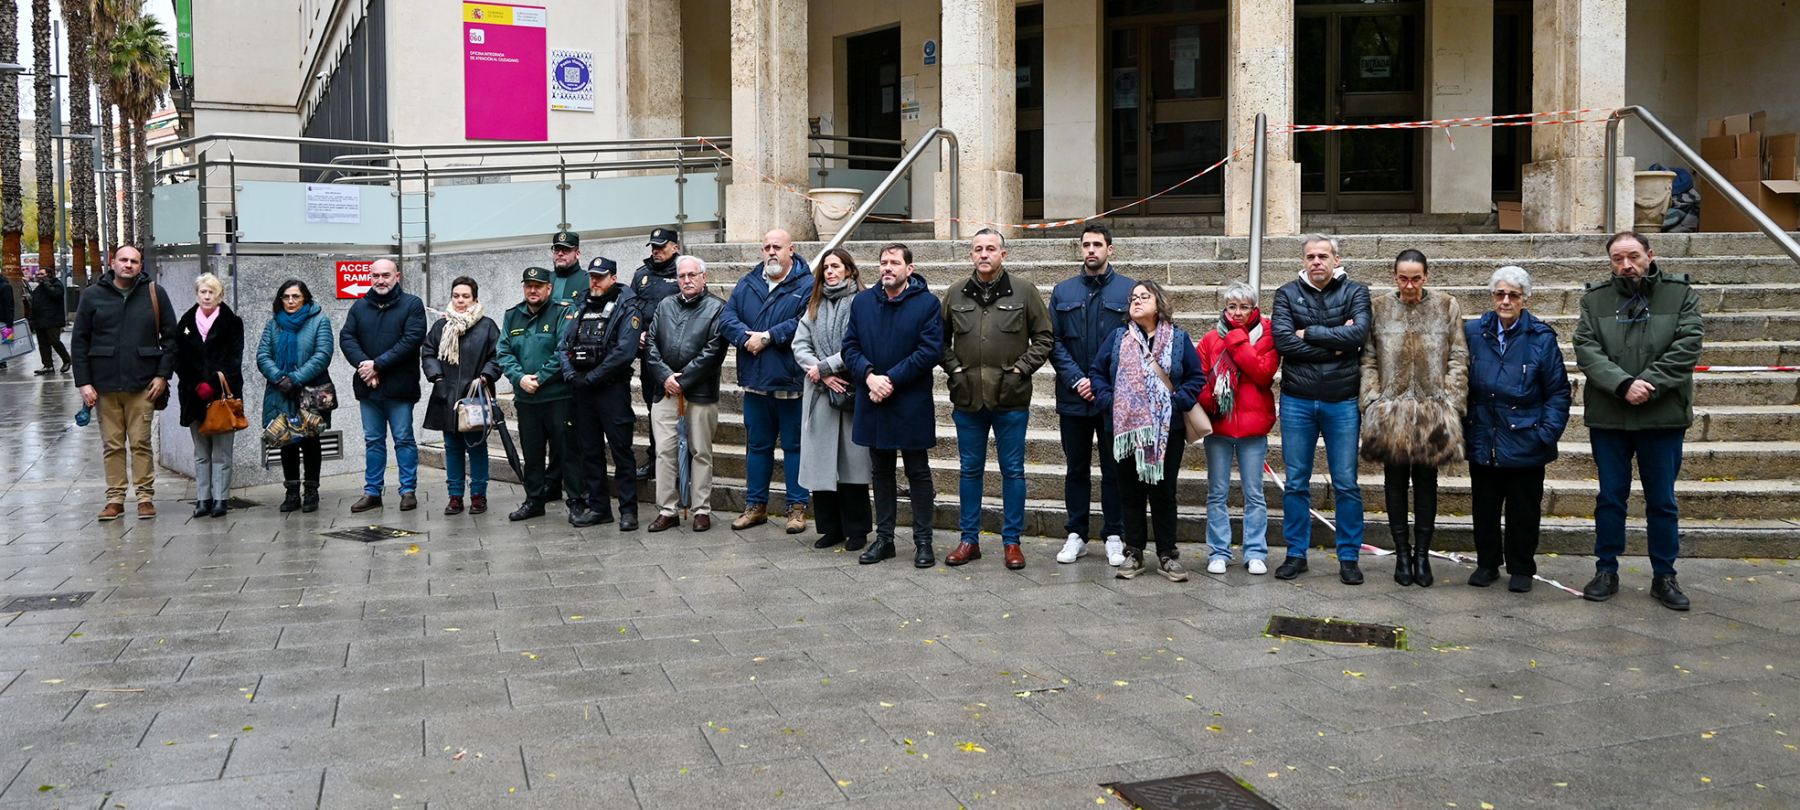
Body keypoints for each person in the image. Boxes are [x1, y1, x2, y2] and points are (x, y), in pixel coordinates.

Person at [1574, 231, 1704, 610]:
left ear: (1650, 254)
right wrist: (1623, 384)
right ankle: (1605, 570)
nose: (1626, 265)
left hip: (1661, 417)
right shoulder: (1594, 299)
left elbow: (1688, 345)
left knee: (1661, 501)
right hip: (1610, 417)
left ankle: (1665, 576)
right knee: (1610, 498)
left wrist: (1648, 384)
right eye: (1618, 259)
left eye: (1633, 256)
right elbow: (1586, 348)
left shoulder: (1681, 295)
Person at [940, 228, 1055, 570]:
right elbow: (937, 339)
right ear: (971, 255)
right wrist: (954, 369)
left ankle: (1012, 541)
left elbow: (1045, 337)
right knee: (970, 470)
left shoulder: (1024, 291)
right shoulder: (955, 292)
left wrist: (1021, 369)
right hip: (968, 397)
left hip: (1010, 397)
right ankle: (969, 540)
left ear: (1003, 254)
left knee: (1013, 471)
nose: (984, 254)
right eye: (978, 249)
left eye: (991, 248)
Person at [1359, 250, 1468, 588]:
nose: (1409, 285)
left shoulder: (1446, 306)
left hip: (1432, 410)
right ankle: (1401, 554)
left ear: (1426, 276)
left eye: (1416, 278)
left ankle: (1422, 554)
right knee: (1394, 484)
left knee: (1426, 483)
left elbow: (1458, 354)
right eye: (1403, 278)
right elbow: (1368, 357)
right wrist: (1373, 400)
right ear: (1394, 276)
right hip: (1390, 410)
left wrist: (1450, 400)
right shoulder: (1379, 307)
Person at [1090, 280, 1206, 581]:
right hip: (1124, 429)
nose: (1137, 301)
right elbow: (1097, 373)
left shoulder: (1178, 338)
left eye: (1145, 296)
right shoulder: (1118, 338)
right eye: (1133, 298)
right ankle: (1134, 552)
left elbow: (1196, 377)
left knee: (1164, 493)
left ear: (1159, 305)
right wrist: (1109, 401)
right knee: (1130, 493)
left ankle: (1167, 554)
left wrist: (1175, 402)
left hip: (1168, 429)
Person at [1272, 234, 1372, 584]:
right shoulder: (1286, 294)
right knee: (1296, 482)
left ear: (1336, 259)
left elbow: (1359, 335)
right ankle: (1296, 553)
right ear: (1303, 261)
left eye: (1323, 256)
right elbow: (1283, 342)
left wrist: (1308, 333)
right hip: (1297, 400)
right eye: (1310, 256)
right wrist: (1336, 344)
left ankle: (1349, 557)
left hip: (1342, 400)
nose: (1316, 261)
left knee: (1346, 482)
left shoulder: (1356, 292)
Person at [1465, 266, 1571, 592]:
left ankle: (1522, 567)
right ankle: (1487, 564)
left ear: (1526, 298)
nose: (1506, 301)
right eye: (1500, 294)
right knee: (1484, 506)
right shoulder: (1473, 332)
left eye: (1513, 295)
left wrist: (1545, 433)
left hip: (1526, 437)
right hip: (1484, 434)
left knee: (1523, 508)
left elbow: (1558, 392)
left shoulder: (1541, 337)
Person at [842, 243, 943, 566]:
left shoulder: (927, 304)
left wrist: (890, 381)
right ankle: (884, 539)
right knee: (881, 472)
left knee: (918, 472)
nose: (887, 267)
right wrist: (869, 377)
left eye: (894, 262)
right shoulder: (863, 302)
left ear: (909, 269)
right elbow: (850, 347)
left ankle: (923, 542)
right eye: (883, 262)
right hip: (873, 399)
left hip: (910, 401)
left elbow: (929, 351)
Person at [1048, 224, 1134, 566]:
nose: (1091, 250)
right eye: (1086, 245)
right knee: (1076, 469)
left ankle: (1114, 535)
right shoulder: (1063, 291)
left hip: (1113, 397)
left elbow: (1133, 341)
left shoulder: (1129, 290)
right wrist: (1076, 380)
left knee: (1115, 469)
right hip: (1073, 397)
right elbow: (1053, 341)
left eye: (1097, 244)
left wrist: (1100, 384)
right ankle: (1076, 534)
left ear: (1110, 249)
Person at [72, 245, 177, 520]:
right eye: (123, 260)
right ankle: (115, 499)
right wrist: (83, 382)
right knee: (112, 445)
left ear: (141, 266)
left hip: (143, 384)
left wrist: (162, 375)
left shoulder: (154, 293)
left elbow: (171, 338)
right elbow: (79, 341)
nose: (128, 265)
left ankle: (145, 497)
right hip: (104, 385)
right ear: (112, 262)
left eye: (134, 261)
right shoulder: (93, 295)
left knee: (141, 442)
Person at [720, 228, 815, 534]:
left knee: (794, 447)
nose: (771, 252)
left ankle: (797, 508)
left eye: (777, 247)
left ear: (791, 250)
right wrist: (745, 339)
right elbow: (727, 318)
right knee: (758, 446)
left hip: (790, 381)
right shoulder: (747, 283)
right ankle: (755, 506)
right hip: (755, 381)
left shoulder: (808, 284)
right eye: (766, 247)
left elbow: (804, 322)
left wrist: (769, 336)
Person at [792, 248, 871, 553]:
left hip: (850, 389)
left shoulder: (862, 302)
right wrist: (820, 373)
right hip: (820, 392)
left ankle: (857, 531)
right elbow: (800, 344)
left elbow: (860, 343)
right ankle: (830, 529)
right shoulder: (815, 303)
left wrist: (828, 367)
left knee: (853, 467)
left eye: (836, 266)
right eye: (826, 268)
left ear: (849, 270)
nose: (830, 272)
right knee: (821, 465)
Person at [559, 257, 647, 530]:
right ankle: (599, 508)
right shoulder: (581, 306)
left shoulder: (628, 307)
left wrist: (593, 377)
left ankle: (628, 511)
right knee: (590, 452)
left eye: (601, 276)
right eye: (592, 276)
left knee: (621, 451)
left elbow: (624, 352)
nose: (595, 281)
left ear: (613, 278)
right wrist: (571, 375)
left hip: (612, 390)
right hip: (582, 390)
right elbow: (563, 346)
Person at [1196, 281, 1278, 575]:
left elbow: (1263, 374)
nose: (1238, 312)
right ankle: (1219, 551)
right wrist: (1212, 399)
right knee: (1217, 492)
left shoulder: (1267, 336)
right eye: (1232, 307)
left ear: (1254, 308)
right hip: (1219, 426)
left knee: (1254, 493)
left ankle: (1255, 552)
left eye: (1244, 306)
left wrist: (1237, 340)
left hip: (1253, 428)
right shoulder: (1209, 339)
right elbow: (1198, 378)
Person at [644, 255, 729, 532]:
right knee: (665, 452)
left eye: (692, 275)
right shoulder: (665, 305)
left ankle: (701, 510)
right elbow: (651, 343)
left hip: (700, 393)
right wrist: (665, 377)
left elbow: (714, 350)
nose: (687, 280)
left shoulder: (717, 308)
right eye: (681, 276)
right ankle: (667, 510)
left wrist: (684, 380)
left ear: (704, 277)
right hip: (665, 392)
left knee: (700, 452)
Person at [339, 259, 427, 513]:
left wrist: (377, 365)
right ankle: (372, 492)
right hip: (369, 388)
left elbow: (411, 340)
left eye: (386, 275)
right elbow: (347, 338)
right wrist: (365, 367)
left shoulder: (412, 304)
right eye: (376, 275)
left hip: (400, 388)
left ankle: (407, 491)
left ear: (397, 276)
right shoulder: (359, 307)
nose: (380, 280)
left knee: (404, 439)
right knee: (373, 441)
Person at [499, 266, 582, 522]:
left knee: (568, 452)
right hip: (527, 399)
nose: (532, 290)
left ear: (549, 288)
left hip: (558, 396)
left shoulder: (563, 312)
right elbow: (504, 352)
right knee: (532, 453)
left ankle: (577, 501)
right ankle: (534, 501)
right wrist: (520, 378)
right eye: (528, 286)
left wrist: (540, 377)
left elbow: (564, 349)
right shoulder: (512, 315)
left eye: (538, 286)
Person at [422, 276, 502, 518]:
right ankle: (455, 495)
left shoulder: (487, 326)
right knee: (452, 448)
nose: (460, 300)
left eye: (466, 296)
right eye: (456, 296)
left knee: (476, 447)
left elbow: (498, 356)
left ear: (475, 299)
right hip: (446, 396)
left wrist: (486, 376)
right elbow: (428, 352)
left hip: (474, 396)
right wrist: (437, 378)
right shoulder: (441, 326)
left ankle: (478, 494)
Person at [258, 280, 335, 513]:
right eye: (286, 297)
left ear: (305, 298)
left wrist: (295, 379)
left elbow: (323, 354)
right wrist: (280, 379)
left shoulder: (320, 320)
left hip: (310, 391)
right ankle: (291, 492)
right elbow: (263, 356)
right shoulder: (274, 324)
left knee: (311, 440)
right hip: (280, 390)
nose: (291, 301)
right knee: (286, 440)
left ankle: (311, 490)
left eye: (296, 296)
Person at [173, 273, 245, 518]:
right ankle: (203, 498)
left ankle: (221, 499)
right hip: (193, 396)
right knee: (201, 452)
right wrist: (196, 385)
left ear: (220, 296)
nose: (206, 296)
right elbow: (178, 359)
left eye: (211, 292)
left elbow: (234, 361)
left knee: (222, 453)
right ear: (196, 295)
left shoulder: (232, 323)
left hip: (222, 397)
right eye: (202, 292)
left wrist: (212, 384)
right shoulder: (185, 323)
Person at [630, 227, 685, 482]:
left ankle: (681, 462)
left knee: (678, 412)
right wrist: (637, 335)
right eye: (653, 246)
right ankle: (655, 459)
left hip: (674, 357)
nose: (656, 251)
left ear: (675, 247)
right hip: (648, 358)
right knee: (654, 409)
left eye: (661, 246)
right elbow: (630, 311)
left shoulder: (684, 273)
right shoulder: (641, 275)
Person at [24, 266, 72, 374]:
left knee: (54, 341)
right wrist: (32, 319)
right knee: (43, 343)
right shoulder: (38, 288)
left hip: (52, 319)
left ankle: (67, 360)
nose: (39, 276)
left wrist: (47, 284)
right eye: (38, 274)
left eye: (42, 274)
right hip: (40, 320)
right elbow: (34, 304)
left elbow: (56, 294)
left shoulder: (56, 284)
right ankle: (47, 365)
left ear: (49, 275)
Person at [549, 230, 589, 308]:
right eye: (557, 249)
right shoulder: (545, 280)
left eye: (565, 250)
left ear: (577, 254)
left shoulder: (589, 281)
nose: (560, 253)